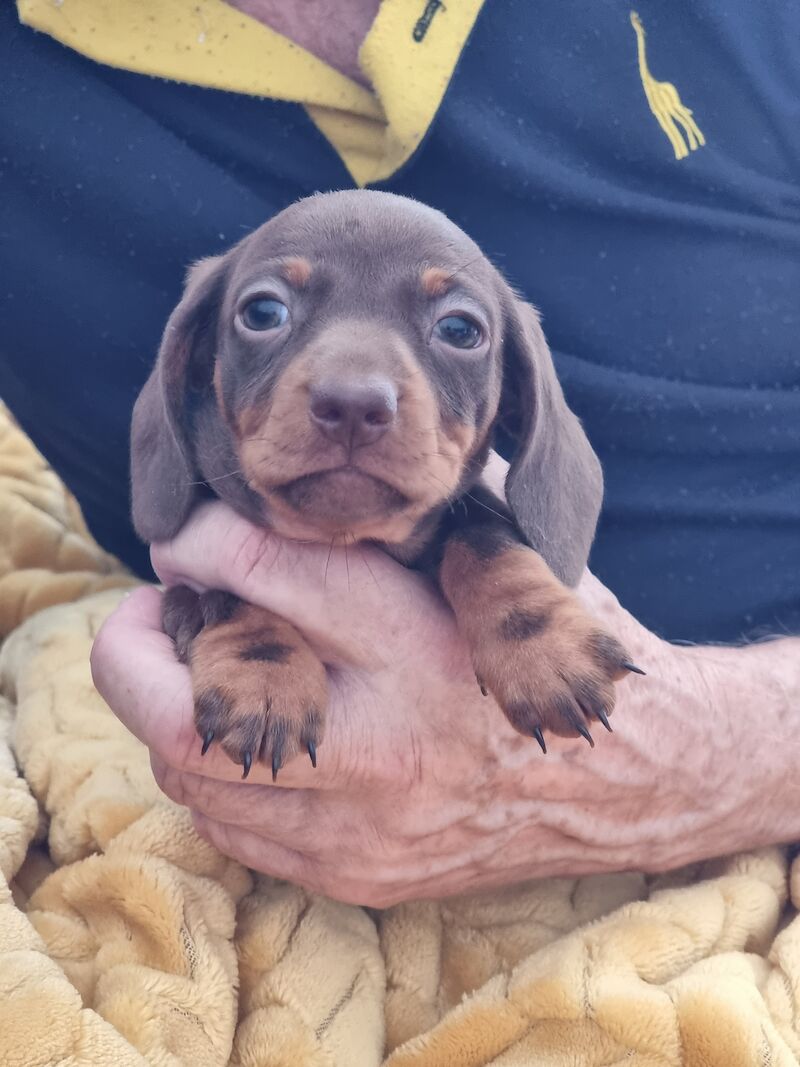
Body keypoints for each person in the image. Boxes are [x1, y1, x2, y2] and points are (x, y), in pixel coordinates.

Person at [2, 0, 798, 906]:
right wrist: (239, 632)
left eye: (456, 329)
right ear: (189, 363)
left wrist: (702, 751)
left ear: (521, 399)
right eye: (267, 313)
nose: (354, 391)